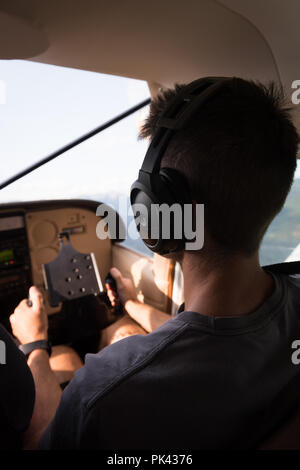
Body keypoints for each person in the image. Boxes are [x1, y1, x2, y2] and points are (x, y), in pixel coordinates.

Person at [10, 77, 300, 449]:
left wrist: (34, 345)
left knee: (63, 356)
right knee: (121, 331)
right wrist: (131, 305)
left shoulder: (103, 394)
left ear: (159, 207)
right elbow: (221, 341)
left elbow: (39, 441)